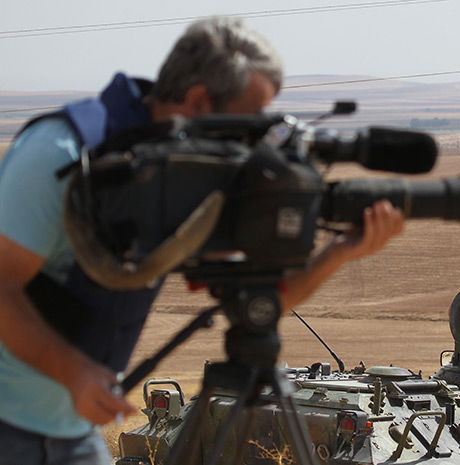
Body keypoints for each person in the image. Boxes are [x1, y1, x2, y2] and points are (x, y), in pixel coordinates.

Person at [0, 17, 404, 465]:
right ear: (195, 101)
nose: (253, 146)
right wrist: (72, 372)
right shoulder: (62, 153)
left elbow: (261, 298)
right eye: (245, 125)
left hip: (69, 434)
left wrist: (340, 252)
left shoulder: (189, 178)